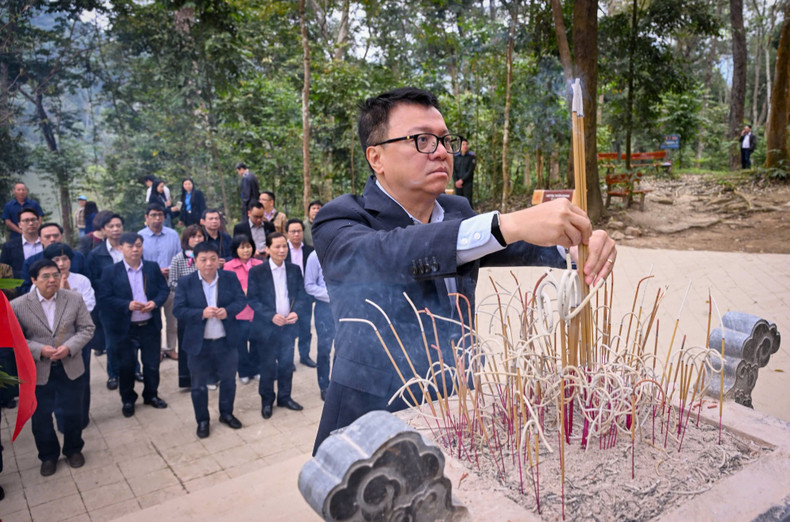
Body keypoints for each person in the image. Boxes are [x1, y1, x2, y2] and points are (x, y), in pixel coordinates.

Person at [311, 87, 617, 453]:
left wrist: (577, 245)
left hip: (456, 406)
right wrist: (506, 224)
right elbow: (390, 252)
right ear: (376, 157)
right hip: (373, 420)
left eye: (444, 140)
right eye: (422, 140)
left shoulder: (456, 210)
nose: (441, 152)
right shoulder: (340, 220)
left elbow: (516, 244)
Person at [10, 258, 94, 476]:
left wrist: (68, 347)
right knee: (41, 417)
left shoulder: (73, 298)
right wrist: (40, 350)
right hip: (38, 370)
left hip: (70, 364)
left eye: (55, 275)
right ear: (33, 280)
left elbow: (87, 328)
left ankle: (73, 449)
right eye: (45, 276)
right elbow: (15, 339)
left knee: (73, 412)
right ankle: (48, 456)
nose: (52, 280)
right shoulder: (18, 305)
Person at [173, 242, 246, 438]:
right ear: (195, 261)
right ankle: (203, 420)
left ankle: (226, 413)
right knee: (198, 385)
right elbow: (177, 310)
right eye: (203, 260)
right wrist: (201, 313)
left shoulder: (229, 278)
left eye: (213, 259)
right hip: (199, 344)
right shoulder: (186, 282)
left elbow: (241, 300)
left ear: (218, 260)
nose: (208, 264)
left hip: (225, 340)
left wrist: (228, 311)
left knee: (229, 380)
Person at [96, 232, 170, 418]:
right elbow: (104, 298)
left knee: (152, 365)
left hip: (150, 326)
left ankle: (151, 395)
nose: (135, 249)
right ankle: (128, 399)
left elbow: (163, 289)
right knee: (126, 366)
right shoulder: (111, 272)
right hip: (125, 328)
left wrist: (155, 302)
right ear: (121, 248)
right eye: (130, 246)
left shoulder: (152, 268)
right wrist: (126, 305)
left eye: (138, 245)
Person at [247, 232, 306, 418]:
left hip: (288, 326)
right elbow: (253, 300)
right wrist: (271, 316)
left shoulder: (294, 269)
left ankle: (285, 397)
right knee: (267, 367)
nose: (282, 250)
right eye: (277, 247)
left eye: (284, 246)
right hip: (267, 328)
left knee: (287, 364)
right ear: (268, 249)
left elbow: (302, 295)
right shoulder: (257, 272)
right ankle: (266, 401)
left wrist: (297, 311)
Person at [43, 243, 95, 429]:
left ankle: (82, 417)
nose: (62, 263)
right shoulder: (40, 284)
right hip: (53, 340)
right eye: (56, 260)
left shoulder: (81, 281)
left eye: (65, 259)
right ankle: (63, 422)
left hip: (79, 338)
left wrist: (68, 292)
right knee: (58, 381)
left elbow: (88, 307)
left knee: (81, 378)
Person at [138, 203, 181, 361]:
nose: (157, 219)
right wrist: (155, 271)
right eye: (153, 215)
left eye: (160, 215)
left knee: (172, 318)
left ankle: (170, 348)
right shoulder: (140, 236)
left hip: (171, 281)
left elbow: (179, 256)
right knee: (153, 320)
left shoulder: (172, 234)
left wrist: (171, 268)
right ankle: (155, 349)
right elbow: (137, 261)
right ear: (146, 217)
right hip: (149, 283)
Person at [87, 213, 125, 384]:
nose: (115, 229)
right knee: (111, 341)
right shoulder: (96, 254)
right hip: (108, 303)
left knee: (131, 339)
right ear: (103, 230)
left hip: (131, 303)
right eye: (111, 226)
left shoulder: (130, 248)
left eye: (118, 225)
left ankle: (135, 370)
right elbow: (93, 280)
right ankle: (113, 374)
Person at [168, 224, 206, 388]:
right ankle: (186, 378)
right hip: (187, 307)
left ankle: (208, 376)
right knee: (186, 343)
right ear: (186, 239)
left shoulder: (208, 256)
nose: (197, 240)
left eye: (200, 236)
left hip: (206, 306)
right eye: (194, 236)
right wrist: (189, 290)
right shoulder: (178, 258)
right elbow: (172, 282)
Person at [223, 234, 263, 384]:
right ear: (235, 249)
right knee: (240, 344)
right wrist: (242, 291)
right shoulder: (228, 266)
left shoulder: (259, 263)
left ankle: (256, 368)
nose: (246, 250)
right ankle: (244, 371)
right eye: (242, 247)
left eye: (248, 246)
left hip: (257, 310)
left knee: (256, 342)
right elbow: (226, 290)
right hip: (238, 312)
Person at [20, 223, 87, 293]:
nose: (52, 239)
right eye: (47, 237)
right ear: (40, 239)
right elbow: (25, 289)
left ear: (62, 237)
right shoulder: (31, 261)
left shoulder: (77, 257)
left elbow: (88, 280)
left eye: (56, 236)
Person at [284, 218, 315, 368]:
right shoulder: (282, 250)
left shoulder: (309, 251)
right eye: (293, 231)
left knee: (305, 327)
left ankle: (305, 356)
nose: (296, 234)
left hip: (305, 294)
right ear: (287, 233)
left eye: (299, 231)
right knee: (288, 329)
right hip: (287, 295)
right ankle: (288, 360)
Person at [304, 250, 334, 401]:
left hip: (345, 307)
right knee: (324, 349)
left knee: (343, 349)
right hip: (325, 308)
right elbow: (309, 285)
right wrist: (331, 294)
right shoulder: (315, 256)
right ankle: (324, 385)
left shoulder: (345, 249)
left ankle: (338, 384)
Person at [0, 207, 41, 279]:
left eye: (33, 220)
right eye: (26, 220)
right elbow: (4, 271)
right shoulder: (9, 246)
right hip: (19, 286)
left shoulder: (47, 243)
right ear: (19, 224)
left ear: (38, 222)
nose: (31, 223)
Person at [452, 138, 476, 207]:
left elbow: (470, 170)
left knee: (468, 202)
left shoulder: (471, 156)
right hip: (458, 184)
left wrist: (462, 180)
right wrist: (456, 181)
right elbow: (453, 170)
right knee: (459, 202)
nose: (465, 146)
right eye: (463, 144)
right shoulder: (456, 157)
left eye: (466, 144)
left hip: (467, 183)